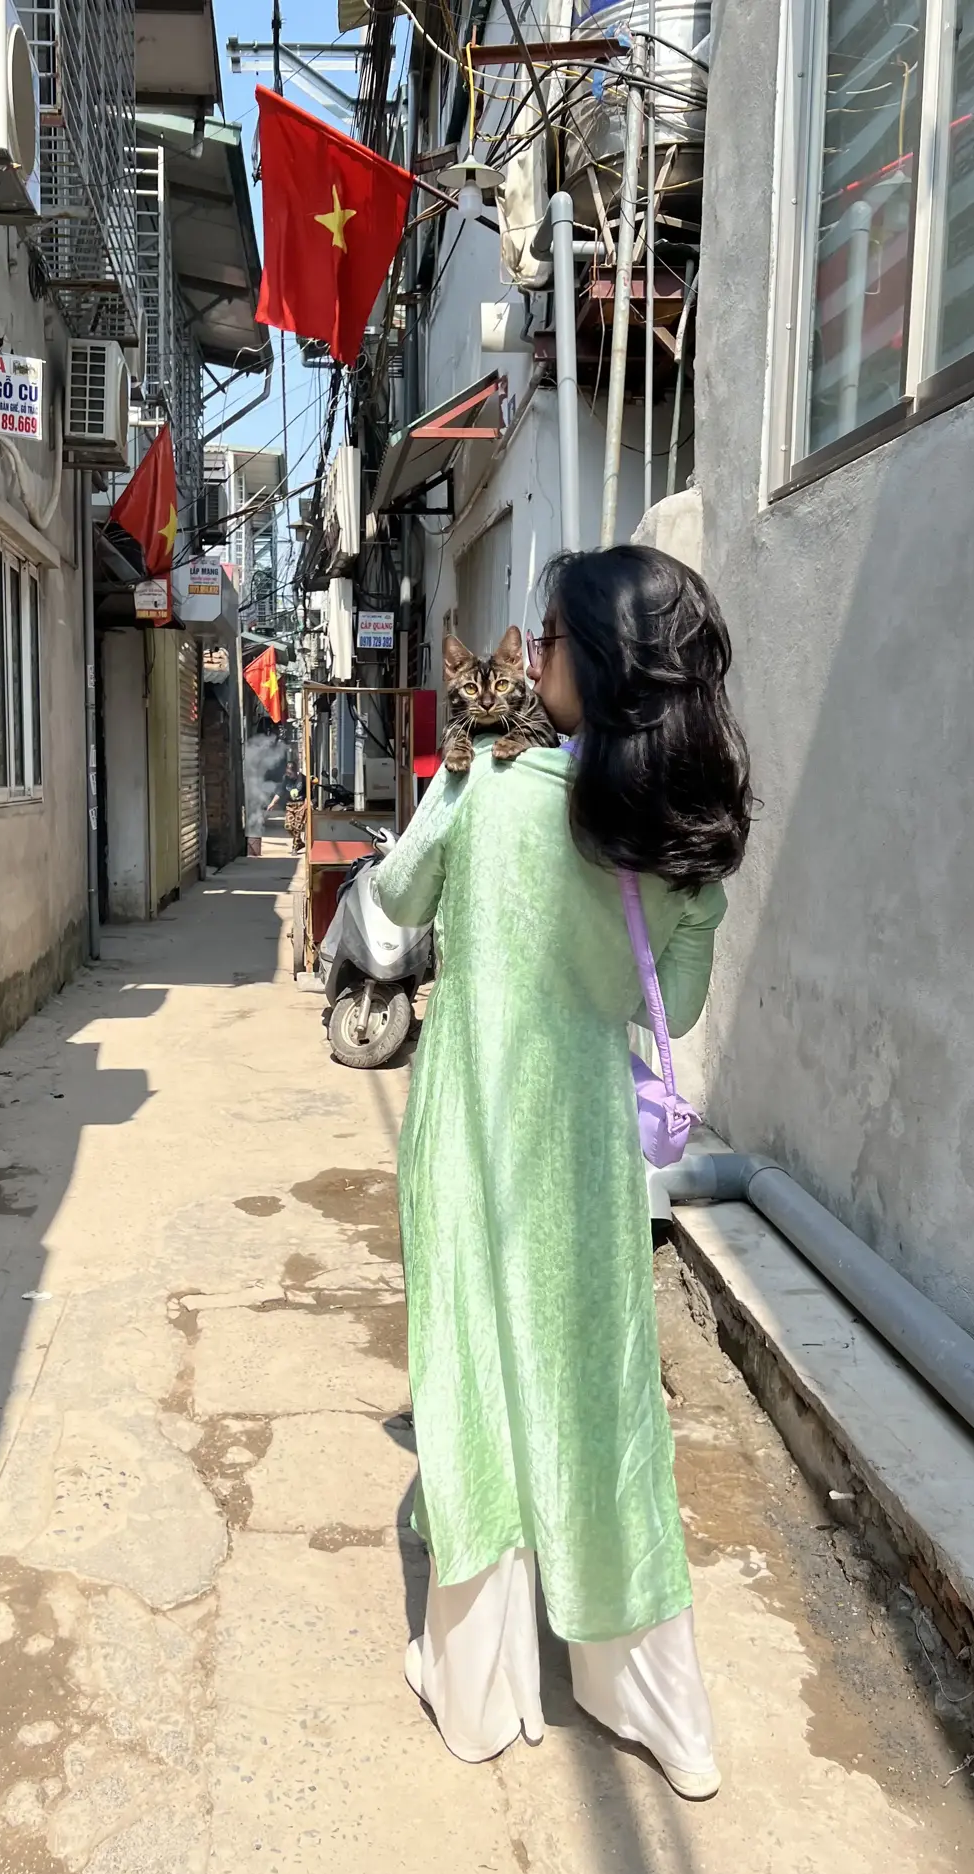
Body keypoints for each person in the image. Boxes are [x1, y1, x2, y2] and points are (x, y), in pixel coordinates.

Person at [372, 545, 753, 1798]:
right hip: (587, 1163)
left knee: (473, 1393)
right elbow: (671, 1009)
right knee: (598, 1404)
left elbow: (393, 905)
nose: (531, 659)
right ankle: (656, 1709)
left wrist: (445, 787)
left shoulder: (488, 791)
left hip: (471, 1143)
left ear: (588, 660)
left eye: (544, 639)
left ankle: (480, 1693)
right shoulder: (658, 831)